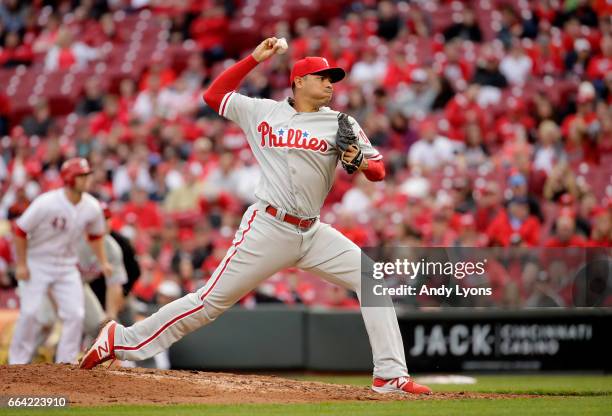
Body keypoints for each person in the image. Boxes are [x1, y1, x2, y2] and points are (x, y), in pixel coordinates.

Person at [80, 37, 431, 395]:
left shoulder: (341, 122)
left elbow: (380, 170)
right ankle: (120, 339)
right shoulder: (263, 111)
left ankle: (389, 374)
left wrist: (361, 162)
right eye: (322, 77)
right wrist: (252, 59)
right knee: (208, 303)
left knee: (370, 277)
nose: (330, 83)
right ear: (298, 82)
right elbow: (213, 96)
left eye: (332, 78)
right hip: (268, 226)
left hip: (312, 232)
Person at [8, 158, 111, 364]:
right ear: (69, 179)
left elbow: (96, 235)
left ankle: (66, 363)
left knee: (75, 314)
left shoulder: (91, 206)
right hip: (38, 262)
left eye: (87, 175)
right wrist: (21, 264)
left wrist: (103, 261)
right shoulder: (47, 202)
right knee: (29, 313)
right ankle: (16, 363)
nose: (87, 179)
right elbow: (20, 230)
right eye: (82, 175)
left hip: (66, 266)